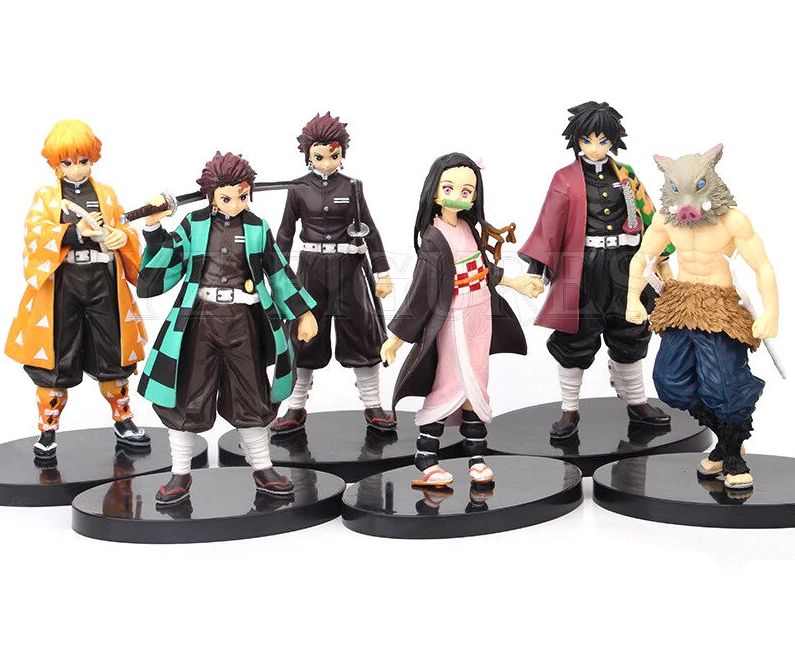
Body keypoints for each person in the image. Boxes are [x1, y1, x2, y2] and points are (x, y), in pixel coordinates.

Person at [138, 152, 318, 505]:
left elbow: (278, 271)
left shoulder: (257, 227)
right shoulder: (194, 224)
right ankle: (179, 473)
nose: (236, 204)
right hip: (199, 321)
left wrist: (303, 312)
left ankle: (263, 467)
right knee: (186, 394)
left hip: (244, 321)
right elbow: (168, 259)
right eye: (226, 197)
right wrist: (153, 227)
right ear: (210, 195)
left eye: (243, 196)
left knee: (252, 393)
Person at [627, 144, 778, 490]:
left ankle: (732, 454)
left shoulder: (733, 221)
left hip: (719, 309)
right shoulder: (665, 220)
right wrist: (632, 298)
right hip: (681, 304)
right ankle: (727, 437)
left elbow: (763, 267)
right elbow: (642, 258)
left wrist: (772, 313)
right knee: (669, 381)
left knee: (724, 384)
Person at [381, 153, 535, 487]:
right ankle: (426, 458)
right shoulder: (434, 237)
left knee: (477, 384)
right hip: (453, 316)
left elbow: (484, 269)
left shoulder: (468, 228)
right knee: (450, 382)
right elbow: (421, 291)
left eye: (467, 191)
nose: (457, 196)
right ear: (434, 191)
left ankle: (476, 457)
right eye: (449, 188)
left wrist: (516, 282)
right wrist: (397, 336)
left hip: (480, 313)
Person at [518, 101, 671, 439]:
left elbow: (651, 217)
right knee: (575, 337)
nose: (595, 147)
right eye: (587, 140)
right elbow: (548, 226)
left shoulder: (626, 175)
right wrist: (535, 271)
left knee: (631, 331)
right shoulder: (565, 179)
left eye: (603, 140)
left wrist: (663, 259)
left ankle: (637, 401)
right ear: (576, 140)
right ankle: (569, 409)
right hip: (583, 268)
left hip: (626, 266)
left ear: (613, 140)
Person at [5, 119, 148, 460]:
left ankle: (123, 419)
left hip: (103, 280)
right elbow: (35, 236)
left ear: (92, 158)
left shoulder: (107, 193)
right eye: (67, 162)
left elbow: (123, 228)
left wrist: (121, 237)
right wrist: (75, 231)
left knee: (113, 351)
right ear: (55, 163)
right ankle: (47, 430)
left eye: (82, 160)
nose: (76, 168)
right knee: (55, 355)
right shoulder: (46, 197)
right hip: (64, 283)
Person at [274, 112, 394, 433]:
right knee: (302, 337)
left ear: (342, 153)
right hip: (310, 271)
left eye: (334, 155)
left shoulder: (353, 187)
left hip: (349, 269)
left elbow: (369, 229)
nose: (327, 162)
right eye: (319, 156)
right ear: (308, 155)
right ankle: (295, 406)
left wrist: (382, 270)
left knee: (363, 334)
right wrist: (277, 276)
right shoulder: (297, 188)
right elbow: (285, 233)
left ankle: (373, 404)